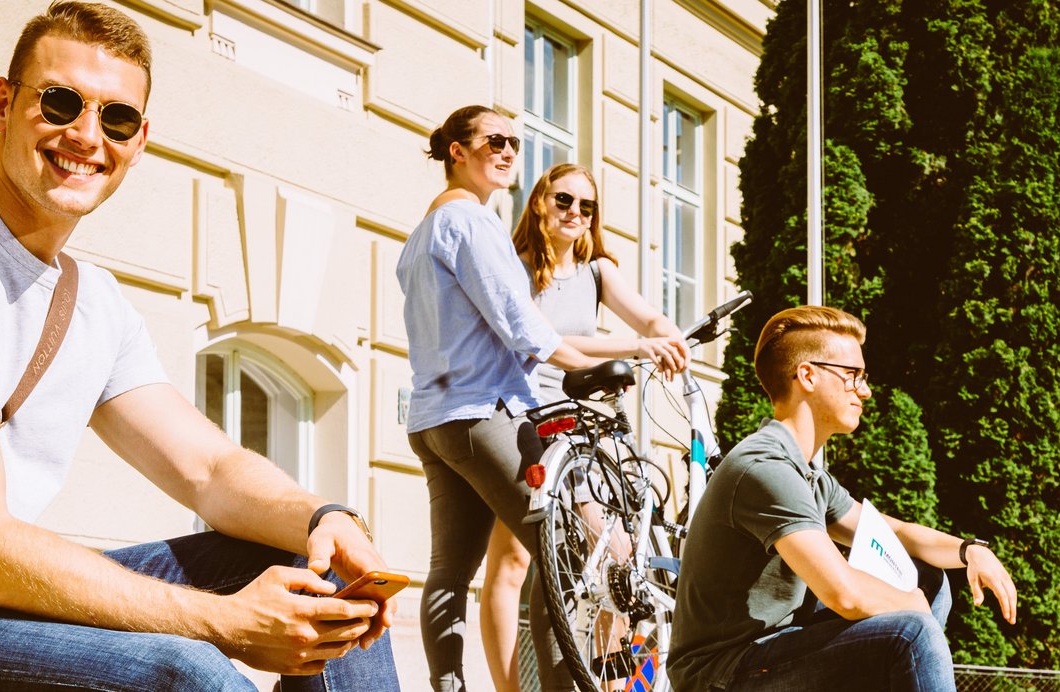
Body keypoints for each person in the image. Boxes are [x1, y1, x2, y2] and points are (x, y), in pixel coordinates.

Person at [0, 3, 398, 689]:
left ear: (140, 139)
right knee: (183, 670)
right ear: (2, 105)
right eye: (60, 103)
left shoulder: (93, 301)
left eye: (116, 117)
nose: (87, 135)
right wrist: (225, 622)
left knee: (331, 578)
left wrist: (324, 518)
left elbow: (207, 468)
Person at [669, 305, 1019, 692]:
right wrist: (916, 610)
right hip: (719, 674)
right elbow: (843, 594)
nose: (864, 390)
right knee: (911, 632)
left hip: (769, 652)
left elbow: (897, 532)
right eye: (853, 376)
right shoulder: (765, 468)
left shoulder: (809, 477)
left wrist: (971, 551)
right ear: (808, 375)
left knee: (928, 578)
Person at [397, 106, 604, 692]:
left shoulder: (422, 233)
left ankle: (450, 687)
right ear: (458, 151)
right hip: (484, 411)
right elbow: (521, 324)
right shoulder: (470, 221)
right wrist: (589, 365)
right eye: (495, 140)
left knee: (450, 571)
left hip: (434, 419)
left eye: (515, 141)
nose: (509, 150)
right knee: (561, 554)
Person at [475, 163, 692, 692]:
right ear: (540, 203)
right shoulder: (518, 267)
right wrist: (635, 345)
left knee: (613, 555)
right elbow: (543, 338)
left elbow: (648, 318)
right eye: (564, 200)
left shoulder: (597, 271)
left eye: (586, 206)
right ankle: (510, 689)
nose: (575, 212)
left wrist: (667, 336)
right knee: (511, 562)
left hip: (583, 422)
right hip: (526, 415)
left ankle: (606, 680)